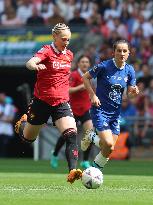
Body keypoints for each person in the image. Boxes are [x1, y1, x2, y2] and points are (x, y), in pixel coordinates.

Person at [14, 23, 82, 183]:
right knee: (28, 139)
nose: (67, 42)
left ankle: (72, 171)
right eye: (64, 39)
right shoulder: (46, 50)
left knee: (71, 134)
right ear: (55, 37)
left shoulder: (70, 55)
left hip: (61, 103)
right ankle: (22, 125)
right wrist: (35, 65)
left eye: (69, 39)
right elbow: (30, 63)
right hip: (41, 102)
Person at [81, 40, 139, 172]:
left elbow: (129, 95)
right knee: (107, 143)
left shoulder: (129, 70)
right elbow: (85, 78)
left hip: (115, 114)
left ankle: (92, 171)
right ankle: (90, 137)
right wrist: (92, 95)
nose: (122, 53)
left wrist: (134, 92)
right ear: (113, 53)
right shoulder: (104, 66)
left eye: (125, 51)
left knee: (109, 148)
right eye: (119, 50)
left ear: (129, 53)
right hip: (100, 110)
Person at [50, 55, 95, 169]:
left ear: (89, 64)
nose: (85, 64)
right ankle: (54, 154)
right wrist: (80, 87)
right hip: (73, 109)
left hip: (85, 109)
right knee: (67, 135)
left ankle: (85, 160)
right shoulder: (74, 75)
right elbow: (68, 89)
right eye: (83, 61)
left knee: (90, 133)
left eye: (87, 62)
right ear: (78, 64)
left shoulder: (89, 76)